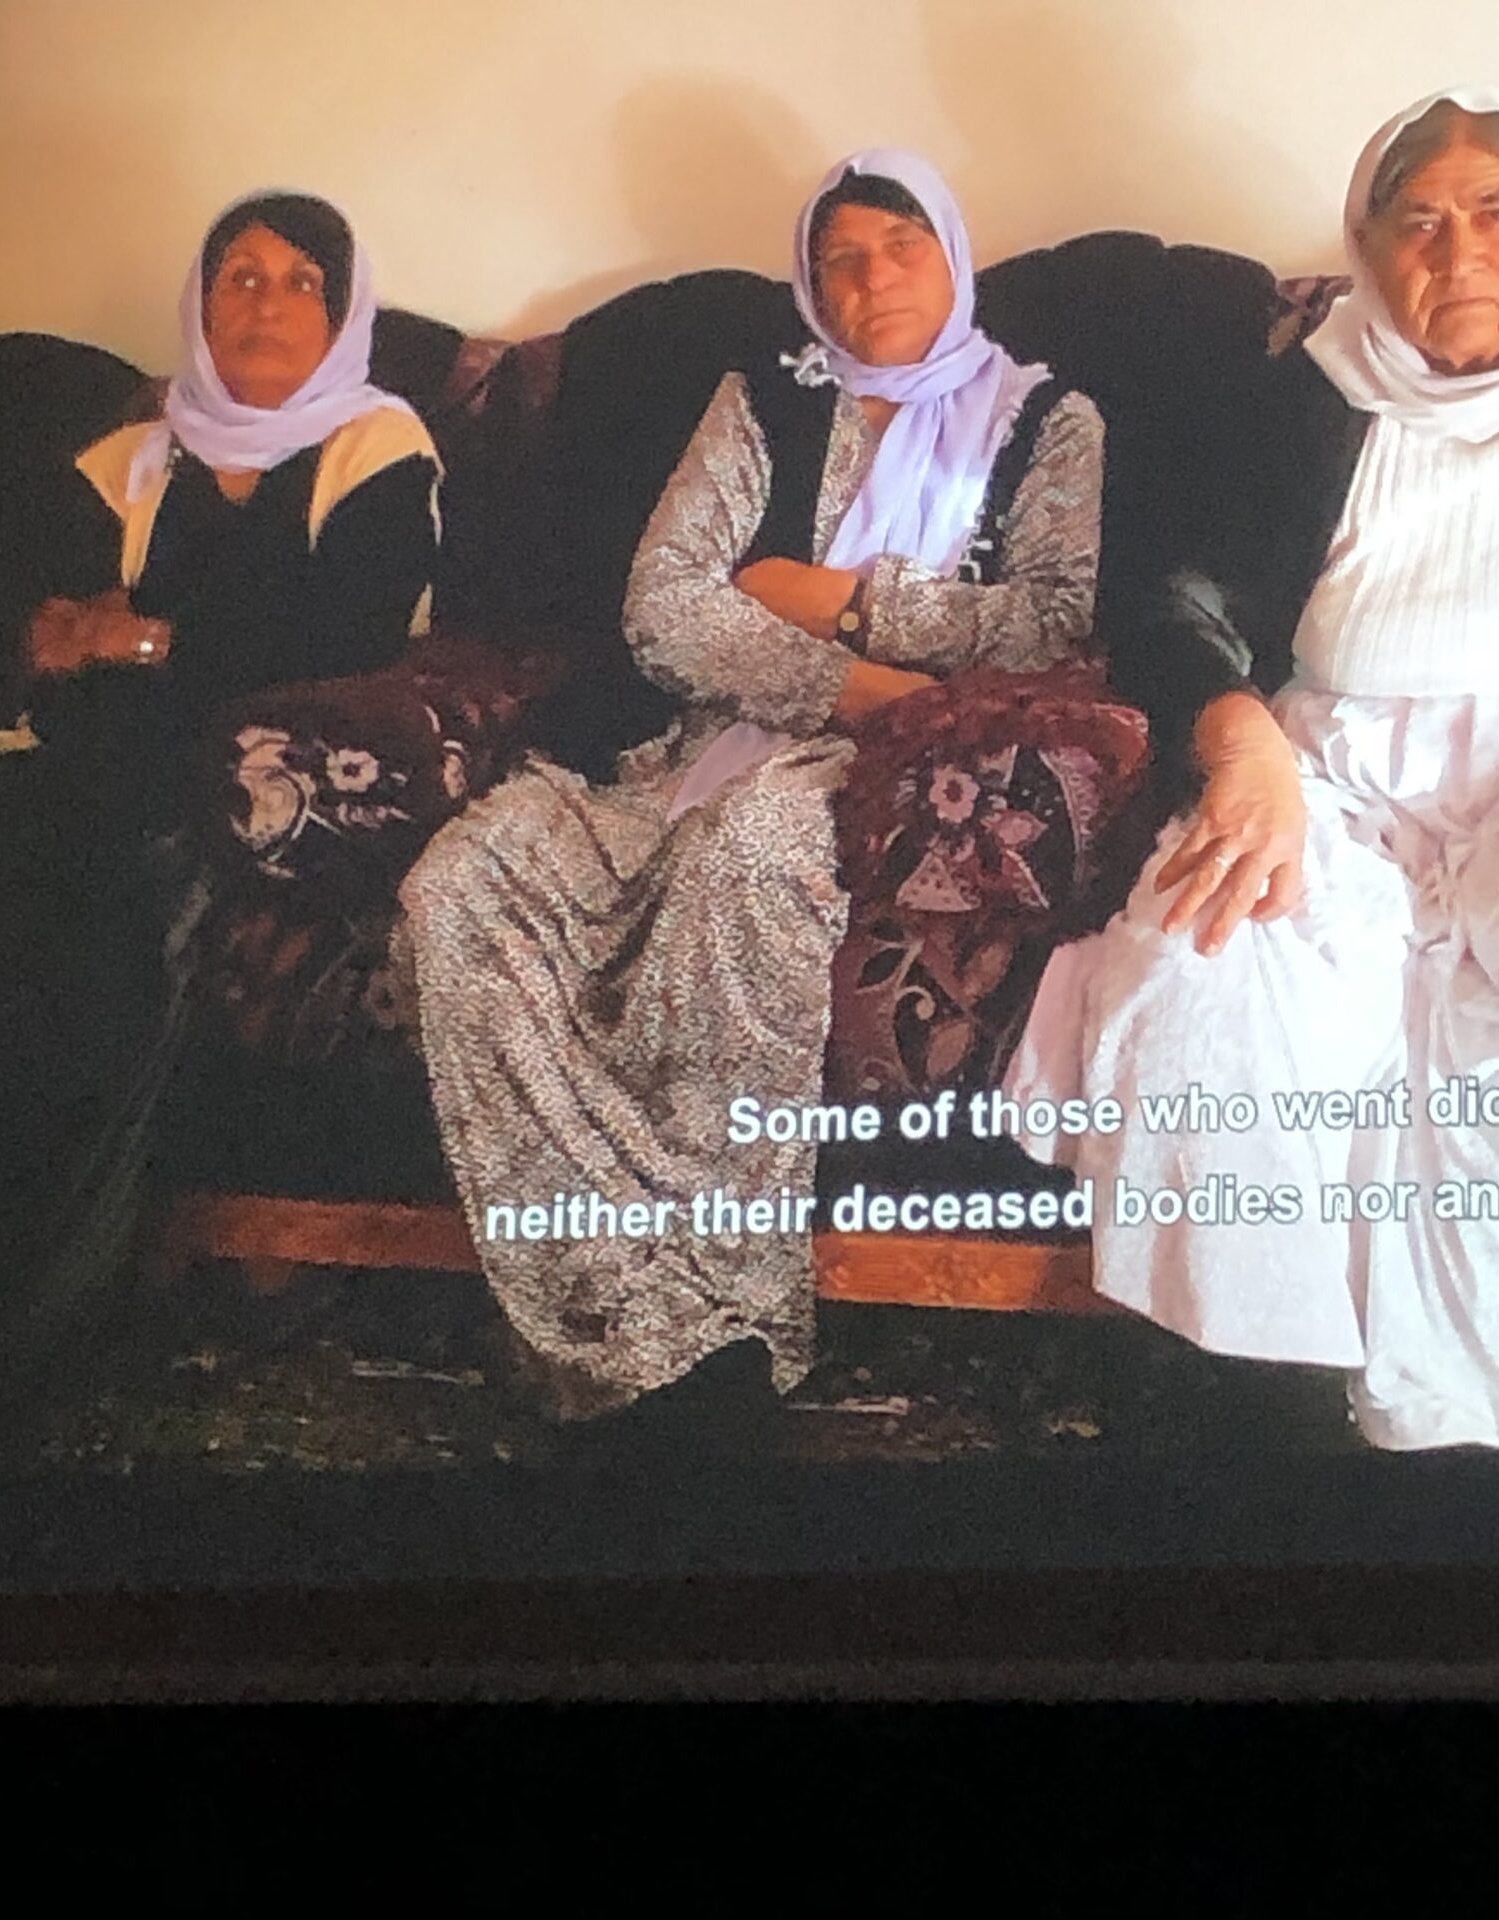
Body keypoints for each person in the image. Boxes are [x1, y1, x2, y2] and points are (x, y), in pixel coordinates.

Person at [1002, 89, 1499, 1454]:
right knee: (1202, 980)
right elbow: (1171, 604)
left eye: (1496, 213)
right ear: (1367, 251)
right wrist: (1239, 743)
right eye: (1417, 222)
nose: (1459, 251)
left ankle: (1496, 1431)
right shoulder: (1304, 393)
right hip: (1324, 768)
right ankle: (1262, 1407)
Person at [402, 150, 1104, 1443]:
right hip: (691, 747)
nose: (872, 277)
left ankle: (726, 1320)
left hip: (893, 773)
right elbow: (664, 604)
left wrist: (837, 596)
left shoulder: (1048, 420)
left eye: (901, 245)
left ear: (954, 259)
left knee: (746, 856)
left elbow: (1048, 620)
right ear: (810, 286)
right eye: (841, 259)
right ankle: (605, 1319)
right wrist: (855, 680)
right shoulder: (762, 401)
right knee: (462, 882)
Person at [0, 192, 440, 1438]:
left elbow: (342, 636)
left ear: (342, 313)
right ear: (200, 303)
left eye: (300, 280)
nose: (265, 304)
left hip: (238, 798)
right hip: (79, 768)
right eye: (238, 276)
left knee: (94, 946)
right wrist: (135, 647)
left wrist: (136, 635)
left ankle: (10, 1346)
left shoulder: (377, 445)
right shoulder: (127, 460)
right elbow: (42, 648)